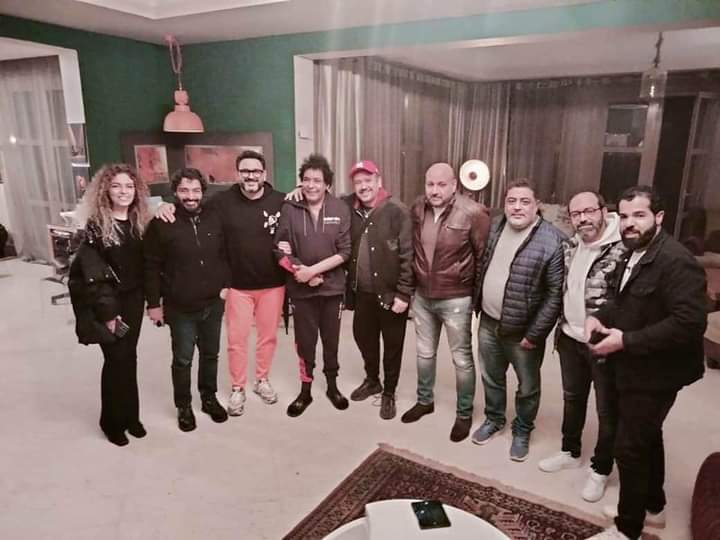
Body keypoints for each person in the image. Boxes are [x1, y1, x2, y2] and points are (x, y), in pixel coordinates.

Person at [585, 186, 706, 540]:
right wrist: (598, 317)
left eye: (639, 215)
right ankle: (653, 508)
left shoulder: (676, 261)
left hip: (659, 371)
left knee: (630, 447)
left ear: (659, 217)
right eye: (624, 216)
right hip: (634, 364)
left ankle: (627, 529)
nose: (629, 223)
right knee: (648, 437)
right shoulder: (633, 251)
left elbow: (689, 323)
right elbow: (623, 301)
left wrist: (626, 340)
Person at [157, 150, 287, 416]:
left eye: (256, 171)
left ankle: (262, 380)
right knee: (236, 340)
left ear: (264, 174)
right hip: (236, 286)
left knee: (267, 337)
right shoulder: (221, 202)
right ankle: (238, 387)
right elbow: (189, 206)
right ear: (238, 174)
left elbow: (304, 207)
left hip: (273, 284)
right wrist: (163, 206)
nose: (251, 176)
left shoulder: (281, 200)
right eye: (245, 171)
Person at [538, 190, 626, 502]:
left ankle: (601, 469)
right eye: (576, 214)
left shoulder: (623, 249)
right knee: (573, 398)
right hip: (569, 338)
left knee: (607, 409)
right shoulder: (571, 245)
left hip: (603, 344)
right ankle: (570, 451)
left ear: (603, 211)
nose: (583, 219)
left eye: (589, 211)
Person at [472, 178, 565, 461]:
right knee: (491, 377)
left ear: (537, 205)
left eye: (525, 201)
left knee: (527, 386)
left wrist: (535, 334)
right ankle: (494, 418)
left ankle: (522, 429)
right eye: (511, 201)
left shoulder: (553, 240)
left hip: (524, 332)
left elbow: (554, 295)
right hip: (489, 321)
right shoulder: (495, 226)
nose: (517, 207)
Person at [400, 162, 490, 443]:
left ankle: (464, 414)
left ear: (454, 185)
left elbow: (482, 258)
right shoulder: (417, 208)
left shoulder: (473, 213)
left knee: (461, 359)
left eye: (441, 184)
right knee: (424, 353)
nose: (435, 190)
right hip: (423, 297)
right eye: (430, 184)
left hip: (456, 298)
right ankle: (424, 401)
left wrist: (474, 300)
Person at [69, 163, 150, 447]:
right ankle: (111, 422)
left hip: (134, 300)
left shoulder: (140, 222)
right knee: (115, 360)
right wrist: (108, 314)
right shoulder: (96, 226)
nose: (123, 191)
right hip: (108, 303)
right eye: (116, 186)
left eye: (129, 186)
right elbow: (92, 276)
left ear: (136, 190)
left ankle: (131, 417)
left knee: (130, 357)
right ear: (106, 190)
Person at [144, 168, 230, 432]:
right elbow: (150, 266)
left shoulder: (215, 217)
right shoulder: (161, 223)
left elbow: (226, 253)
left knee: (211, 354)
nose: (190, 196)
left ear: (203, 192)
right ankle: (183, 405)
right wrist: (153, 304)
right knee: (183, 359)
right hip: (180, 306)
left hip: (213, 303)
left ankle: (208, 398)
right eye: (184, 190)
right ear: (175, 192)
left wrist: (226, 285)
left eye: (195, 190)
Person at [275, 154, 352, 417]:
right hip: (301, 289)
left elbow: (345, 251)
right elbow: (280, 249)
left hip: (332, 289)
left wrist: (314, 271)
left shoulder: (340, 209)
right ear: (301, 183)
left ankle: (332, 386)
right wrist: (302, 273)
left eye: (317, 180)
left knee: (331, 341)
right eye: (306, 180)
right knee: (305, 342)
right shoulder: (290, 208)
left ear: (327, 184)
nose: (311, 185)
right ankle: (305, 390)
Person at [344, 160, 413, 420]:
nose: (363, 186)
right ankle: (373, 380)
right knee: (363, 337)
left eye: (367, 180)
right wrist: (298, 192)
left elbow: (408, 254)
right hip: (362, 293)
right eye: (358, 182)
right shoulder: (349, 207)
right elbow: (321, 198)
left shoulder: (397, 211)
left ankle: (389, 392)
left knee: (392, 345)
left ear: (378, 181)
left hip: (390, 294)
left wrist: (404, 294)